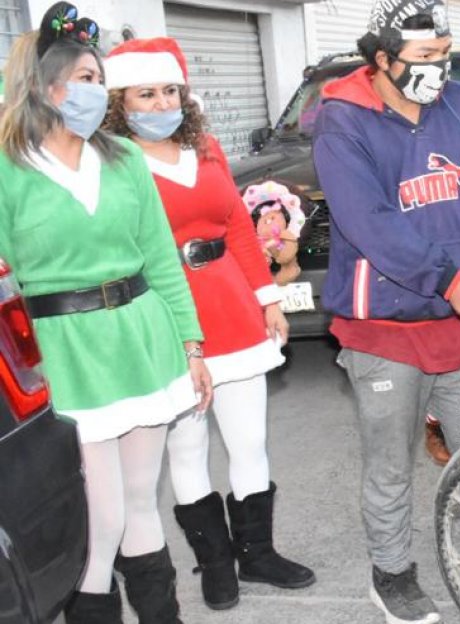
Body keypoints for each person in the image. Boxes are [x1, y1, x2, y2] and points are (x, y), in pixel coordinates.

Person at [311, 0, 460, 621]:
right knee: (391, 464)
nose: (438, 70)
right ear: (383, 60)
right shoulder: (344, 122)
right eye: (423, 59)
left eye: (445, 57)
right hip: (383, 329)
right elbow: (370, 223)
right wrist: (448, 280)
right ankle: (391, 574)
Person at [0, 4, 211, 621]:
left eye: (100, 79)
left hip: (142, 338)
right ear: (43, 87)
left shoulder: (122, 158)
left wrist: (191, 347)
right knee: (101, 513)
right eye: (85, 80)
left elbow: (161, 262)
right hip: (65, 354)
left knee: (141, 501)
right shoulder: (9, 171)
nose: (97, 92)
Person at [102, 37, 315, 612]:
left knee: (249, 439)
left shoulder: (210, 148)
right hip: (166, 313)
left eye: (170, 90)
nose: (161, 102)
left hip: (232, 305)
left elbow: (240, 230)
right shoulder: (112, 162)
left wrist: (268, 297)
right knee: (188, 445)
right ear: (118, 101)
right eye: (145, 93)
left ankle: (259, 554)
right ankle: (216, 564)